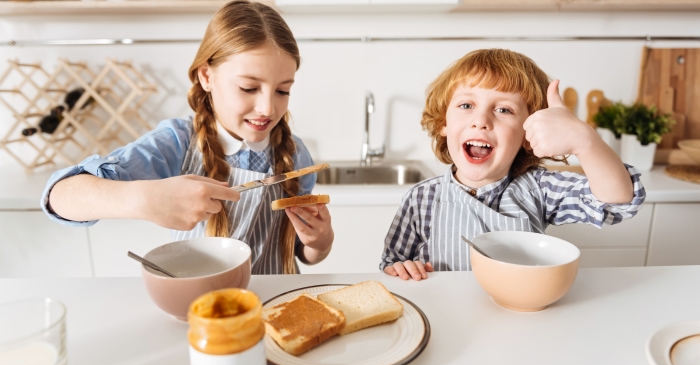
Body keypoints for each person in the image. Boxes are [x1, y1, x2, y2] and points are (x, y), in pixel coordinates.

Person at [42, 0, 333, 275]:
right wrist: (143, 199)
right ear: (207, 76)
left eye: (283, 91)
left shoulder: (295, 154)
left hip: (274, 308)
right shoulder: (177, 142)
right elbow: (59, 196)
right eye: (248, 88)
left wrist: (319, 243)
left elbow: (299, 253)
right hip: (200, 309)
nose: (269, 108)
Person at [381, 48, 645, 281]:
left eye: (503, 110)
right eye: (466, 105)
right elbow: (391, 265)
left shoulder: (539, 189)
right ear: (444, 124)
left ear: (528, 135)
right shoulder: (421, 199)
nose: (481, 120)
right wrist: (402, 269)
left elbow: (618, 201)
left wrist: (585, 141)